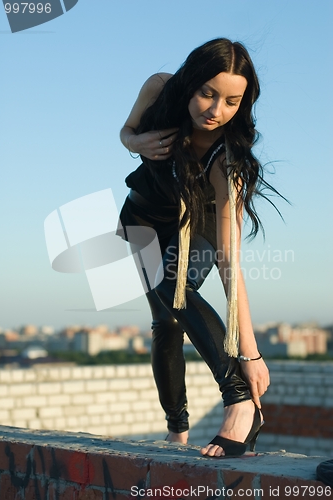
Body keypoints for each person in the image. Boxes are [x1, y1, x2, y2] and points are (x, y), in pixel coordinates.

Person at [117, 38, 273, 457]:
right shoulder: (159, 89)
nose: (215, 110)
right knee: (164, 324)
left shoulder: (228, 161)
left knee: (174, 287)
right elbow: (125, 132)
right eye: (207, 93)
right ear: (189, 83)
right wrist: (137, 143)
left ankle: (239, 400)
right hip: (142, 219)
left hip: (197, 223)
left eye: (231, 101)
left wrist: (251, 353)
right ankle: (177, 430)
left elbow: (228, 259)